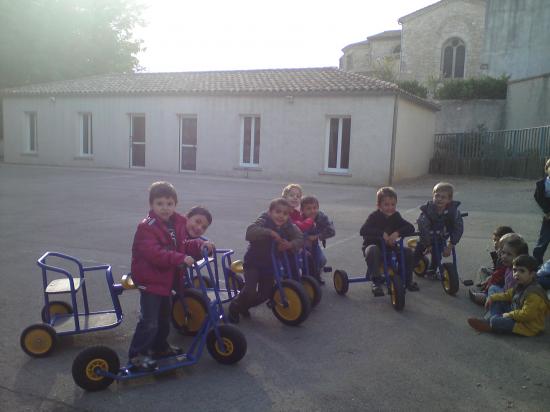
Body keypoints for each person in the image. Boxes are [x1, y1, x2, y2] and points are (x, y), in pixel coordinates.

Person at [128, 181, 213, 371]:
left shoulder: (177, 223)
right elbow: (154, 253)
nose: (165, 208)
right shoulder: (146, 227)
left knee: (164, 318)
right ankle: (138, 355)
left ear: (175, 204)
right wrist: (180, 258)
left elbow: (183, 245)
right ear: (151, 205)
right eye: (160, 203)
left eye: (169, 203)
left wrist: (200, 245)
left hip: (165, 280)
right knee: (149, 321)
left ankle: (160, 347)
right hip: (150, 280)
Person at [228, 198, 303, 323]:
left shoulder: (288, 225)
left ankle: (244, 306)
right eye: (278, 212)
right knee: (250, 291)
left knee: (266, 294)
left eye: (285, 213)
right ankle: (235, 306)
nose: (281, 216)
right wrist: (269, 232)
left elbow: (300, 237)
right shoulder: (264, 219)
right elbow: (250, 232)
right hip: (253, 262)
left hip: (270, 265)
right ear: (270, 212)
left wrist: (289, 245)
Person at [467, 255, 550, 336]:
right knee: (496, 298)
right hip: (516, 313)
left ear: (532, 274)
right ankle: (490, 320)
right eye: (515, 270)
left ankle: (491, 324)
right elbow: (507, 295)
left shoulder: (534, 294)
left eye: (522, 271)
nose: (517, 274)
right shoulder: (521, 284)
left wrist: (509, 314)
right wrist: (492, 298)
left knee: (496, 321)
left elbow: (526, 315)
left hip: (527, 325)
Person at [360, 187, 417, 297]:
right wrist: (381, 233)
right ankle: (376, 282)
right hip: (373, 246)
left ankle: (406, 280)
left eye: (393, 204)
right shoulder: (374, 216)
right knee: (372, 250)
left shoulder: (396, 216)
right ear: (379, 205)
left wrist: (397, 233)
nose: (390, 208)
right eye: (386, 205)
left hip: (390, 247)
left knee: (407, 252)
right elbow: (363, 230)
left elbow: (410, 227)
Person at [414, 182, 464, 267]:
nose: (439, 199)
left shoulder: (453, 212)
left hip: (440, 239)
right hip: (426, 238)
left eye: (443, 197)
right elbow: (423, 228)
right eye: (437, 196)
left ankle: (432, 270)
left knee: (437, 257)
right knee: (416, 255)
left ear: (449, 200)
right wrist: (428, 245)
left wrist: (450, 245)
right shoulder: (427, 211)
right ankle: (409, 269)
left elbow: (458, 229)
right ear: (433, 197)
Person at [469, 226, 514, 305]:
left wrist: (490, 280)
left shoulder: (507, 258)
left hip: (502, 284)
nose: (495, 243)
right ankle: (484, 288)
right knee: (483, 270)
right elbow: (496, 269)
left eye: (498, 240)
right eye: (494, 240)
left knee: (491, 286)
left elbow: (499, 274)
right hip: (498, 277)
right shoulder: (500, 253)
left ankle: (486, 295)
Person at [300, 195, 336, 284]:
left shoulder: (321, 217)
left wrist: (318, 236)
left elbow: (331, 231)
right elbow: (294, 231)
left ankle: (316, 275)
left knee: (321, 260)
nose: (312, 211)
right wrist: (306, 238)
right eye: (308, 209)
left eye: (315, 208)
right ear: (302, 210)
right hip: (300, 246)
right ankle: (302, 276)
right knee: (301, 261)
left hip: (314, 244)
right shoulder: (300, 218)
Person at [533, 159, 550, 265]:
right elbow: (537, 197)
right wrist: (546, 212)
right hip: (548, 217)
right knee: (543, 241)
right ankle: (536, 263)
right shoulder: (541, 184)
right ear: (546, 169)